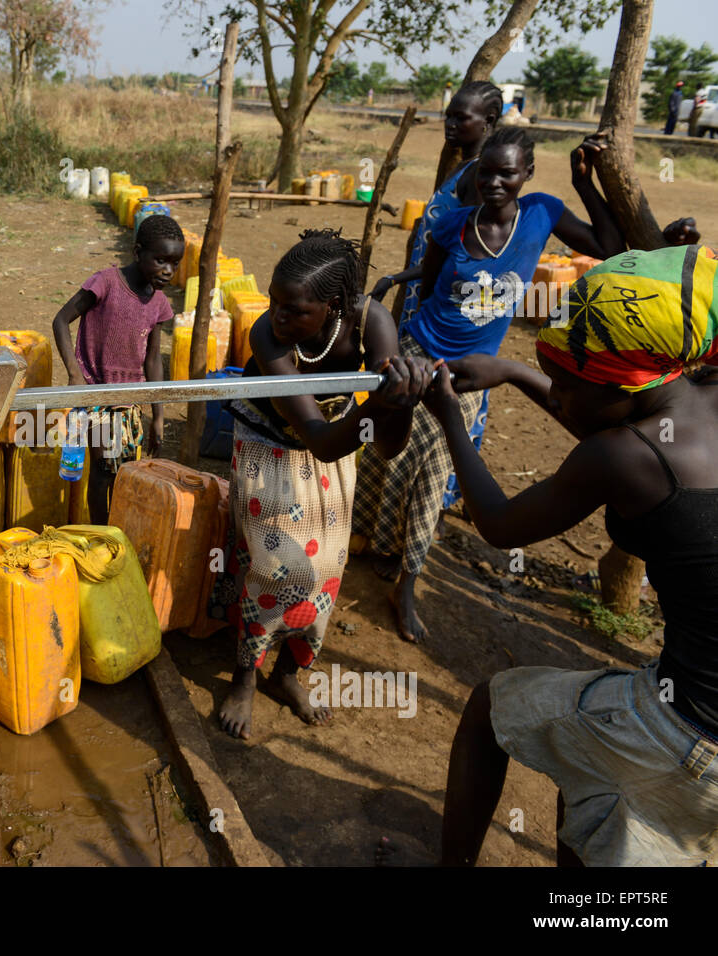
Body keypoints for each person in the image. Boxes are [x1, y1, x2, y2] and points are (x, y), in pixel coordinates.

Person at [426, 245, 718, 866]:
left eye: (566, 383)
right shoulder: (695, 398)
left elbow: (501, 526)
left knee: (488, 709)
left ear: (628, 386)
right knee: (585, 772)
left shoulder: (623, 457)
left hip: (688, 732)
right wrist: (512, 372)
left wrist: (451, 415)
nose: (557, 395)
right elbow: (618, 434)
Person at [352, 127, 625, 644]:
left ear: (527, 174)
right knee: (390, 452)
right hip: (419, 352)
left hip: (474, 370)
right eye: (487, 172)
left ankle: (407, 581)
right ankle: (373, 538)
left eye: (507, 172)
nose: (495, 181)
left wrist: (584, 183)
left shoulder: (542, 213)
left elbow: (611, 246)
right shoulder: (453, 225)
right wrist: (422, 347)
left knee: (436, 469)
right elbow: (430, 290)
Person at [215, 230, 431, 736]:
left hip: (339, 434)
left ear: (333, 305)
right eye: (273, 302)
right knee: (276, 566)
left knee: (327, 569)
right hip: (274, 440)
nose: (277, 317)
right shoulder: (268, 337)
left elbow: (388, 445)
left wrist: (403, 399)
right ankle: (246, 675)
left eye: (293, 309)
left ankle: (288, 673)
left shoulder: (371, 321)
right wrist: (379, 402)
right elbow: (321, 440)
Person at [371, 81, 504, 515]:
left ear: (489, 121)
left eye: (460, 118)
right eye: (448, 115)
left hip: (444, 313)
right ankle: (414, 513)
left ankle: (426, 513)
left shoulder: (483, 178)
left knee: (432, 416)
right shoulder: (467, 169)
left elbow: (460, 257)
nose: (450, 124)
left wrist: (399, 278)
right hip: (423, 300)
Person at [51, 213, 183, 523]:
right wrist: (74, 374)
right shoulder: (107, 283)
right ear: (138, 253)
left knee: (121, 472)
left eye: (174, 264)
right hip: (95, 393)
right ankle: (101, 535)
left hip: (129, 402)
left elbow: (153, 360)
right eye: (160, 260)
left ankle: (114, 530)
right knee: (101, 470)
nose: (167, 271)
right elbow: (60, 320)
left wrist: (159, 416)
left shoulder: (160, 304)